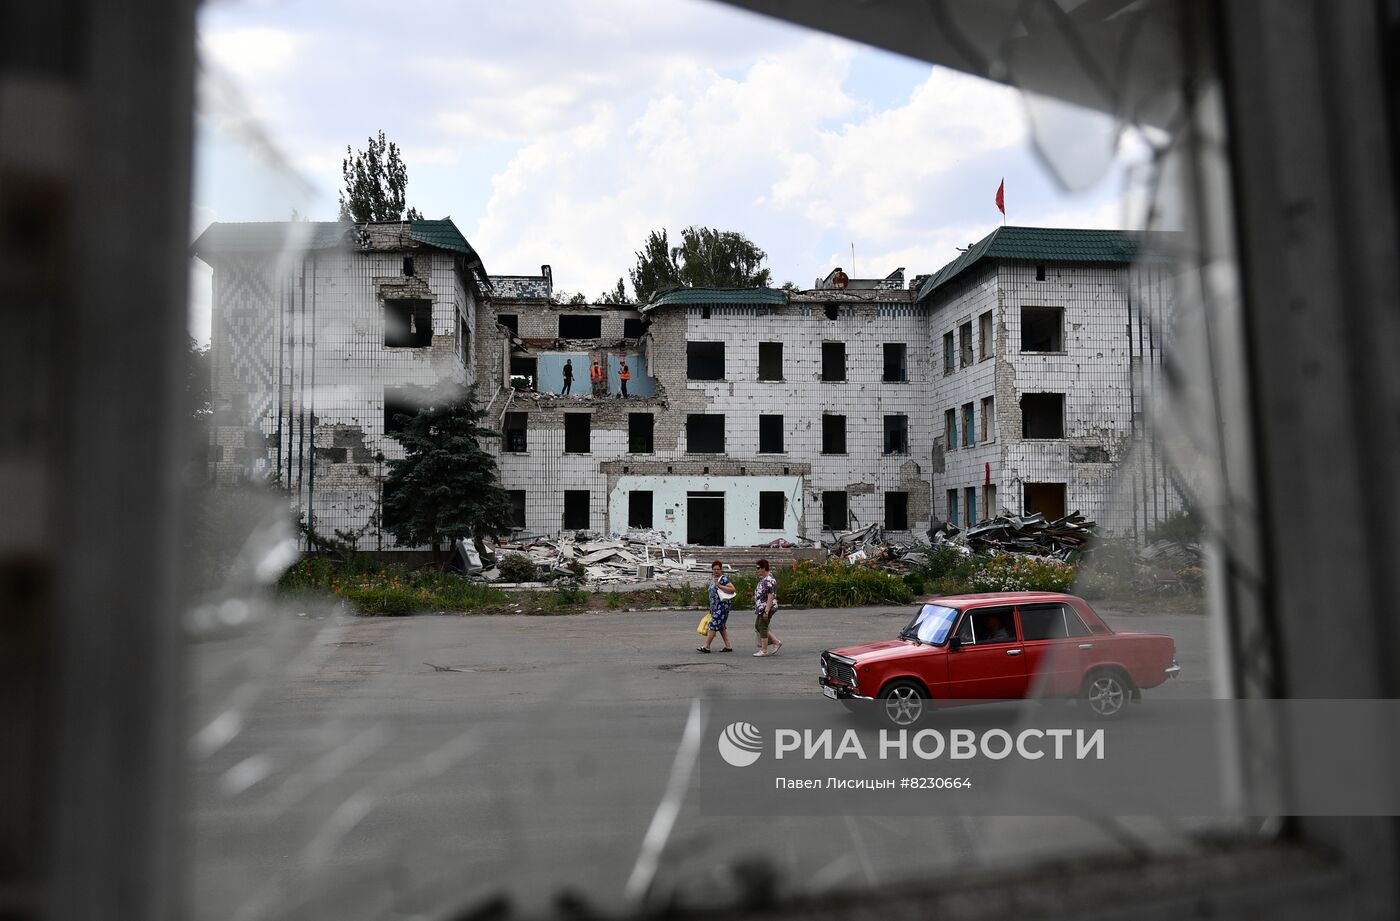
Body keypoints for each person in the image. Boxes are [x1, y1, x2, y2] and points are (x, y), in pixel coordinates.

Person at [697, 560, 735, 653]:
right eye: (714, 569)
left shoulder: (723, 579)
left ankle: (707, 646)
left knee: (713, 624)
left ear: (721, 570)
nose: (716, 571)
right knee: (721, 626)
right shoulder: (712, 579)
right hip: (715, 607)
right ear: (712, 570)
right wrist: (711, 608)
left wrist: (720, 586)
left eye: (718, 569)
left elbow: (732, 589)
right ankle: (728, 646)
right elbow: (712, 595)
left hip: (722, 606)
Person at [753, 558, 781, 656]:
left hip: (767, 607)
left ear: (764, 568)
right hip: (762, 607)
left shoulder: (769, 580)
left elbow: (771, 595)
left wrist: (766, 611)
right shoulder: (765, 579)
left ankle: (764, 650)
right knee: (758, 625)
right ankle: (776, 642)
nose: (757, 570)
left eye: (758, 568)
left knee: (762, 627)